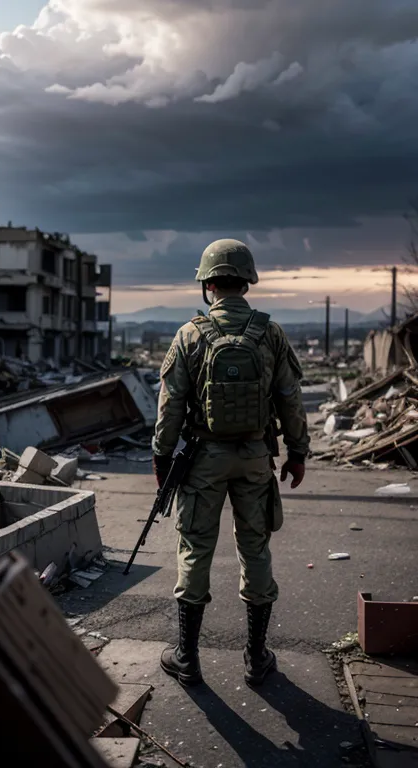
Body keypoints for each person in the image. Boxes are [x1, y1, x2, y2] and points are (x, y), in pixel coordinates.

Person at [152, 239, 309, 687]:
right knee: (255, 548)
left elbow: (171, 407)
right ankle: (257, 658)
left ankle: (187, 657)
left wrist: (162, 458)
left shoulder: (189, 334)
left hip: (203, 459)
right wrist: (297, 452)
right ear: (246, 281)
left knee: (195, 548)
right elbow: (290, 400)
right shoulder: (271, 332)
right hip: (256, 457)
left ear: (208, 284)